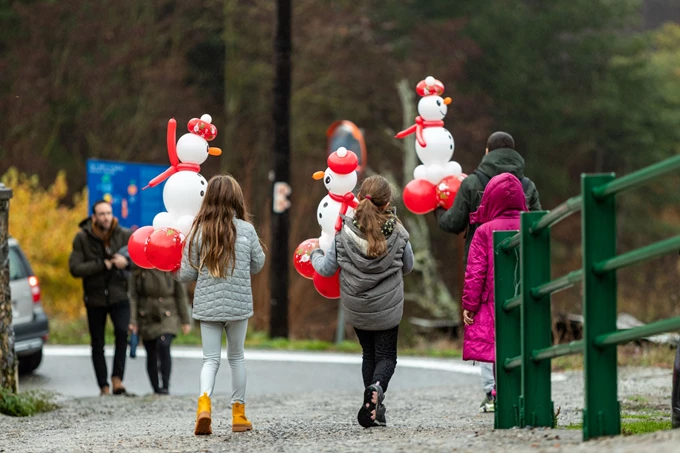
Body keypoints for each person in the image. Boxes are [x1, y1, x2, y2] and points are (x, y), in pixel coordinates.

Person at [436, 131, 541, 412]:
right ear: (514, 152)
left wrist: (438, 208)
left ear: (487, 151)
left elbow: (453, 223)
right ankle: (520, 386)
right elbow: (538, 227)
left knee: (485, 329)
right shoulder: (527, 184)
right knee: (518, 325)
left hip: (483, 269)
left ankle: (492, 392)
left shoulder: (472, 183)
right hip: (521, 269)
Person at [311, 175, 414, 428]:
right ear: (387, 201)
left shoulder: (343, 231)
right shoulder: (399, 232)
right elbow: (409, 266)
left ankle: (374, 408)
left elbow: (326, 269)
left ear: (359, 198)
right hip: (388, 308)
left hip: (356, 308)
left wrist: (314, 253)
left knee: (369, 353)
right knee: (387, 357)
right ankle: (377, 388)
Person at [175, 174, 266, 436]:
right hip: (238, 305)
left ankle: (204, 405)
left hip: (207, 304)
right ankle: (238, 415)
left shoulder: (198, 229)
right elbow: (258, 265)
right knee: (236, 358)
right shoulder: (247, 230)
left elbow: (186, 274)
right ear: (236, 199)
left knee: (210, 360)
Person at [461, 173, 527, 412]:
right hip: (525, 297)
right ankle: (523, 392)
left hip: (492, 300)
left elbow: (475, 271)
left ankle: (498, 394)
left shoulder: (483, 231)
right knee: (522, 342)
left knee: (495, 347)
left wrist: (470, 303)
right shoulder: (530, 226)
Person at [68, 200, 132, 396]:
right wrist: (101, 264)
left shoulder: (125, 235)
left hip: (120, 295)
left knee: (122, 334)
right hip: (95, 298)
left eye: (109, 213)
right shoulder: (82, 238)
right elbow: (75, 268)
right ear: (94, 217)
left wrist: (125, 262)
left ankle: (117, 380)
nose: (106, 217)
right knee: (98, 343)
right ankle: (103, 386)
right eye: (101, 214)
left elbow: (141, 261)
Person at [128, 268, 192, 395]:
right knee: (150, 351)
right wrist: (133, 321)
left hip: (168, 315)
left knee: (163, 344)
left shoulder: (171, 268)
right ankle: (156, 387)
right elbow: (133, 297)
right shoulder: (138, 270)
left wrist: (185, 320)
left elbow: (180, 295)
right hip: (146, 316)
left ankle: (165, 385)